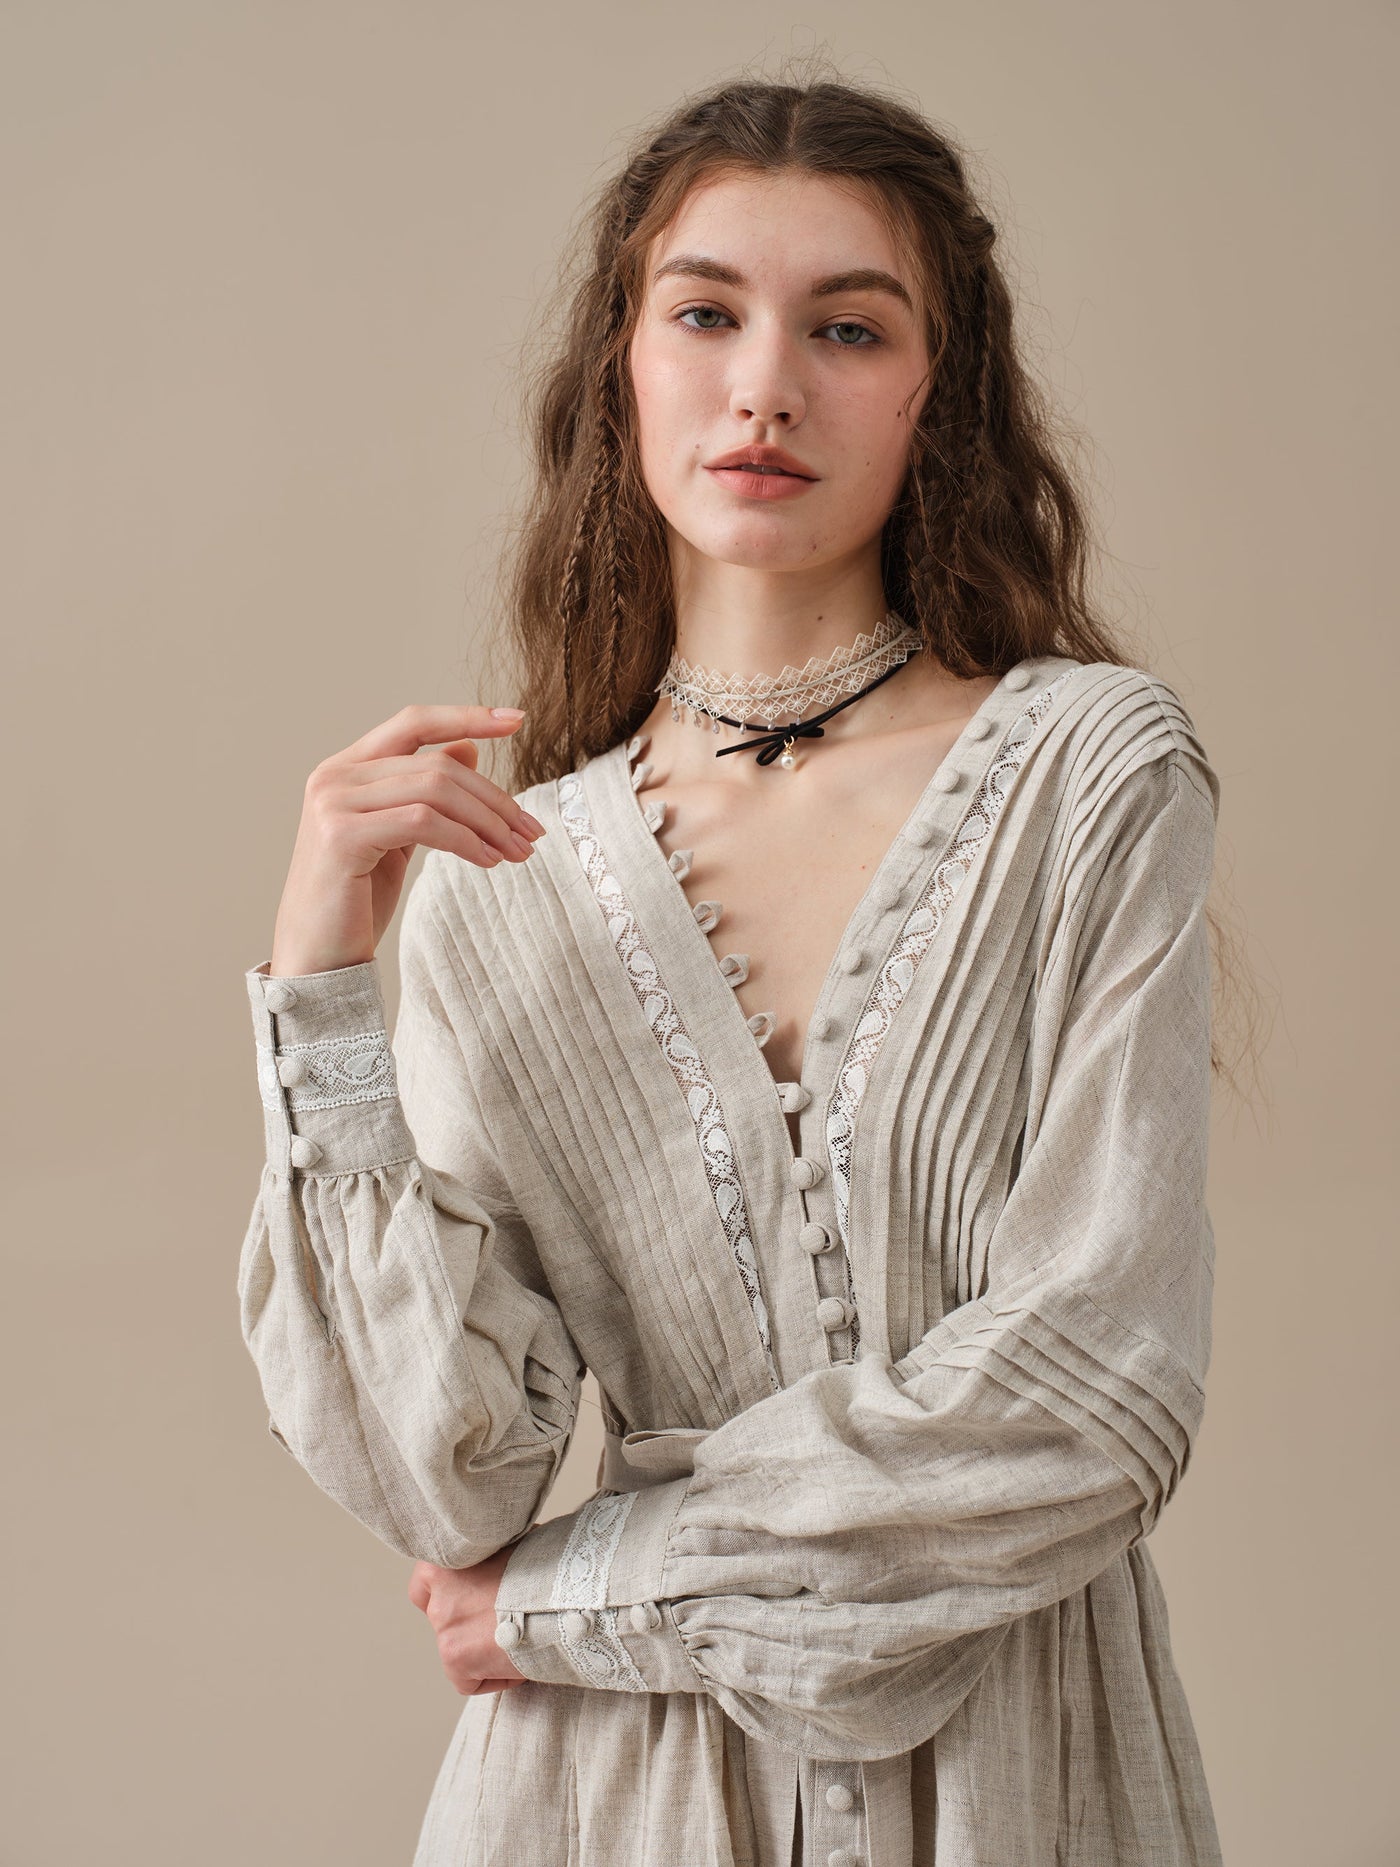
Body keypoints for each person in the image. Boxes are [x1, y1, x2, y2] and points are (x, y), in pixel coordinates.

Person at [238, 69, 1231, 1866]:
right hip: (605, 1803)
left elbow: (1099, 1387)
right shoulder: (500, 883)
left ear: (936, 391)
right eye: (705, 314)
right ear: (621, 363)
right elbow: (441, 1472)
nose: (766, 385)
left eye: (847, 328)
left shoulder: (1092, 775)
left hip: (1018, 1782)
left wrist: (591, 1590)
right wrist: (321, 999)